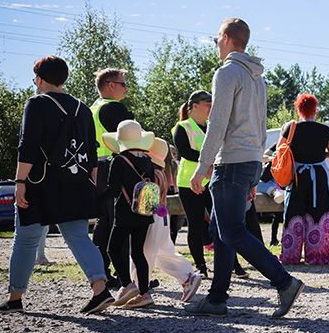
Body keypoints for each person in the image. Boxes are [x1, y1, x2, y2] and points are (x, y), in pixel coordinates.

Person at [184, 18, 304, 318]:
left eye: (216, 40)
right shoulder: (257, 77)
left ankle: (284, 282)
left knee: (232, 231)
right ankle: (216, 299)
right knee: (221, 230)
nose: (216, 45)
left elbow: (217, 122)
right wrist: (254, 174)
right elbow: (262, 126)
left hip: (232, 162)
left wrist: (203, 165)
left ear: (225, 39)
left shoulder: (227, 73)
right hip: (250, 160)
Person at [0, 55, 115, 314]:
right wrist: (91, 179)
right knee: (80, 237)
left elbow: (28, 146)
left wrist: (19, 181)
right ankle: (100, 290)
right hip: (76, 181)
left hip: (41, 183)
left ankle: (15, 298)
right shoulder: (81, 107)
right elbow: (92, 150)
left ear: (39, 79)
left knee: (25, 240)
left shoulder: (37, 103)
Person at [173, 90, 248, 278]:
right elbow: (186, 153)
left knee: (223, 223)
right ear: (195, 105)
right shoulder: (182, 127)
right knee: (196, 225)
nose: (211, 108)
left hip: (214, 181)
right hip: (189, 182)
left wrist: (212, 163)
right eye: (207, 104)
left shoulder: (212, 127)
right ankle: (201, 267)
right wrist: (209, 162)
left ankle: (234, 264)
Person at [276, 94, 329, 265]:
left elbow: (279, 149)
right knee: (319, 212)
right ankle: (318, 255)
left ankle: (291, 256)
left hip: (297, 175)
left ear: (298, 109)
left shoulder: (290, 127)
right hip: (318, 175)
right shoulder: (324, 130)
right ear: (315, 110)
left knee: (293, 212)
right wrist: (320, 154)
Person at [102, 120, 158, 308]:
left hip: (126, 213)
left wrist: (96, 199)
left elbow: (113, 190)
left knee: (113, 248)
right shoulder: (147, 160)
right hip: (144, 212)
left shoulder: (119, 160)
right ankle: (145, 293)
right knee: (138, 252)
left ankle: (127, 285)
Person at [141, 137, 202, 302]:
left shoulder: (150, 173)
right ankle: (187, 276)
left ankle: (139, 288)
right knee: (164, 252)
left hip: (151, 216)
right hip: (162, 216)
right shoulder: (163, 170)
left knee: (143, 252)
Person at [90, 68, 135, 287]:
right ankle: (123, 276)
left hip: (97, 168)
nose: (126, 88)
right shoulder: (113, 108)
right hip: (114, 167)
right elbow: (133, 139)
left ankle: (102, 271)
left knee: (104, 221)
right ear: (110, 85)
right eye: (123, 84)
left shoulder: (93, 108)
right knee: (119, 221)